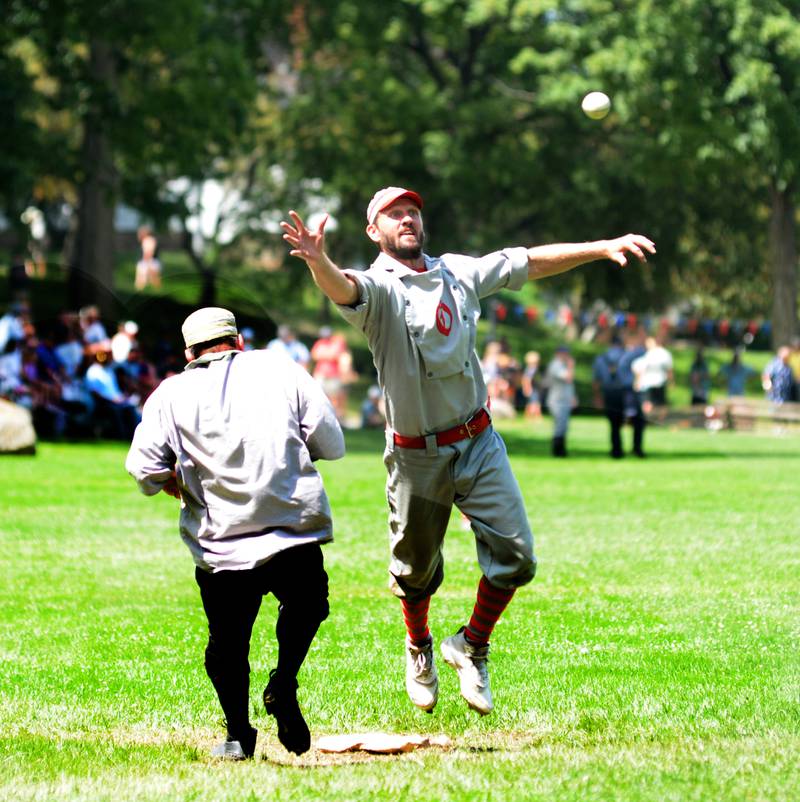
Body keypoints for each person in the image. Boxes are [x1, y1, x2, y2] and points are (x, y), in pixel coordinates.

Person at [280, 186, 654, 716]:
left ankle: (471, 645)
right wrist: (319, 261)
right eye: (393, 214)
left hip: (478, 441)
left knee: (517, 558)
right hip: (416, 456)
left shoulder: (457, 271)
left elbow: (524, 262)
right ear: (374, 231)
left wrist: (598, 246)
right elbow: (344, 287)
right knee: (413, 573)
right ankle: (419, 647)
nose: (407, 219)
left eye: (413, 211)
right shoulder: (380, 292)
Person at [125, 307, 344, 760]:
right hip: (291, 530)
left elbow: (144, 469)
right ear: (238, 340)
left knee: (227, 644)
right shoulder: (283, 369)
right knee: (307, 605)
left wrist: (175, 481)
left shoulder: (169, 394)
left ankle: (238, 734)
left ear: (189, 352)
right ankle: (283, 682)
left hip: (220, 541)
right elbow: (331, 443)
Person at [592, 334, 646, 458]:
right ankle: (637, 449)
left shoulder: (600, 358)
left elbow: (596, 381)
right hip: (627, 394)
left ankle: (616, 450)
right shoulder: (627, 354)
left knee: (614, 424)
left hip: (609, 393)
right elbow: (642, 350)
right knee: (638, 421)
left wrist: (597, 397)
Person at [310, 326, 357, 421]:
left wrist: (324, 354)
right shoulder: (319, 343)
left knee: (334, 398)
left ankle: (335, 419)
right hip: (321, 375)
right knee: (319, 397)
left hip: (334, 375)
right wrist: (328, 355)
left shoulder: (337, 342)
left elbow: (336, 354)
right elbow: (314, 355)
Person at [632, 336, 673, 420]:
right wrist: (671, 381)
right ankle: (659, 420)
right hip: (659, 381)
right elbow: (669, 369)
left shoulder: (649, 354)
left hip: (649, 382)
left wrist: (637, 381)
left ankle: (647, 419)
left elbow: (639, 369)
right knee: (660, 403)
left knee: (649, 403)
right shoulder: (664, 353)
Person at [545, 346, 576, 457]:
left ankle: (562, 449)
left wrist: (573, 397)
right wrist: (571, 366)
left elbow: (569, 384)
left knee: (564, 426)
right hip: (557, 400)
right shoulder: (556, 365)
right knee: (559, 426)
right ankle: (558, 451)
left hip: (564, 400)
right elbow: (568, 377)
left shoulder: (563, 366)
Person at [520, 350, 543, 420]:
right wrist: (527, 388)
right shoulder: (532, 369)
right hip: (532, 388)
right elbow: (527, 379)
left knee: (531, 402)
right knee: (535, 402)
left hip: (533, 388)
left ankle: (528, 416)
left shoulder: (529, 368)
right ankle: (536, 416)